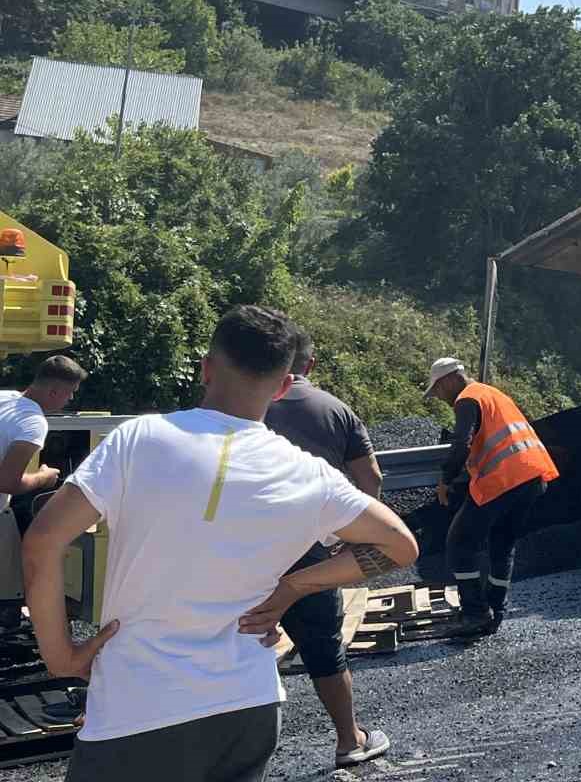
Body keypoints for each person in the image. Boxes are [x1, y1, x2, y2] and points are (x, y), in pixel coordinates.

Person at [22, 305, 418, 782]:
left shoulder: (140, 439)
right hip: (246, 708)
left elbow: (43, 541)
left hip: (137, 709)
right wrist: (294, 587)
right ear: (284, 386)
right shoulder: (308, 474)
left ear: (207, 367)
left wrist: (61, 655)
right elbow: (400, 546)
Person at [262, 326, 389, 768]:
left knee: (239, 636)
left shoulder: (245, 405)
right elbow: (370, 479)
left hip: (246, 548)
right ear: (309, 366)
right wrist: (351, 543)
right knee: (323, 646)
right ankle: (348, 740)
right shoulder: (336, 410)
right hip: (311, 551)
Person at [424, 357, 559, 638]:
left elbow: (462, 444)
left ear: (449, 380)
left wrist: (445, 480)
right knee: (502, 543)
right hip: (532, 478)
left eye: (437, 390)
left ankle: (475, 613)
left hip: (504, 479)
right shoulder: (492, 393)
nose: (438, 397)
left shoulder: (467, 399)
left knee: (460, 543)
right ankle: (495, 610)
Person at [0, 357, 83, 629]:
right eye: (69, 393)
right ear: (54, 392)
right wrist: (42, 478)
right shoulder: (33, 422)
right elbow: (7, 482)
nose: (69, 400)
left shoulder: (5, 398)